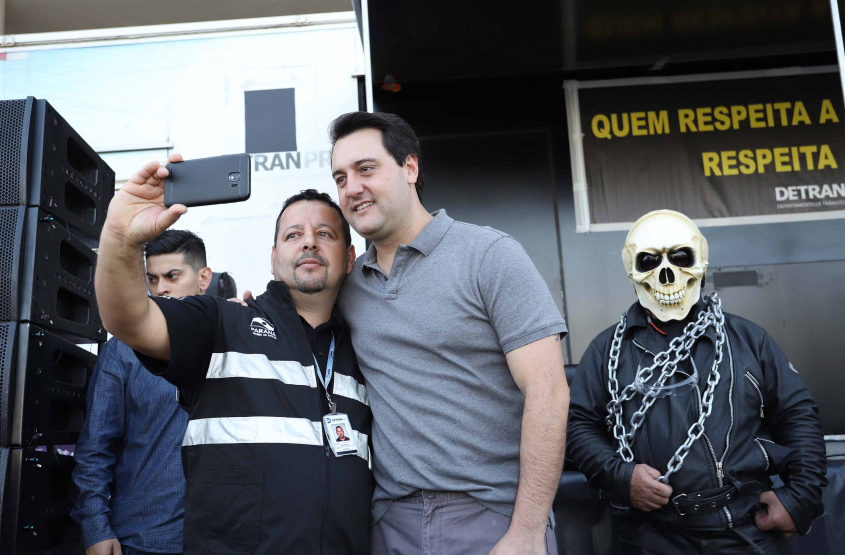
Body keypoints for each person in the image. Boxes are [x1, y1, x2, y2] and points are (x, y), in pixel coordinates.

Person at [93, 162, 374, 554]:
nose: (309, 242)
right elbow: (128, 320)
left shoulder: (368, 349)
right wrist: (121, 238)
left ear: (349, 257)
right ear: (273, 258)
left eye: (324, 234)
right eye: (293, 235)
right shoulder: (222, 323)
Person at [329, 112, 570, 555]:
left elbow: (549, 391)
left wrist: (527, 531)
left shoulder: (490, 255)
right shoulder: (348, 287)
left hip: (494, 518)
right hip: (391, 524)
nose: (352, 188)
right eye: (341, 178)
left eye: (366, 169)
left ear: (410, 167)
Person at [567, 209, 827, 554]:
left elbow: (797, 415)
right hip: (648, 538)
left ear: (700, 262)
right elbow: (579, 426)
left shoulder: (749, 340)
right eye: (649, 262)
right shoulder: (606, 351)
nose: (666, 273)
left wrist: (800, 498)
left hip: (745, 529)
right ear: (633, 271)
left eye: (680, 258)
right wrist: (620, 476)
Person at [72, 229, 212, 555]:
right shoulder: (123, 351)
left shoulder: (235, 340)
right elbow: (95, 447)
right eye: (152, 279)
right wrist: (95, 527)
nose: (160, 288)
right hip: (144, 539)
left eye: (172, 276)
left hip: (223, 537)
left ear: (203, 278)